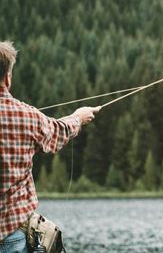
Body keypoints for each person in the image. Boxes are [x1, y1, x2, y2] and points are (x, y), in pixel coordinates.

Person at [0, 41, 101, 252]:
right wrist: (78, 117)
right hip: (11, 235)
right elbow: (59, 131)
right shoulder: (28, 116)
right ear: (8, 78)